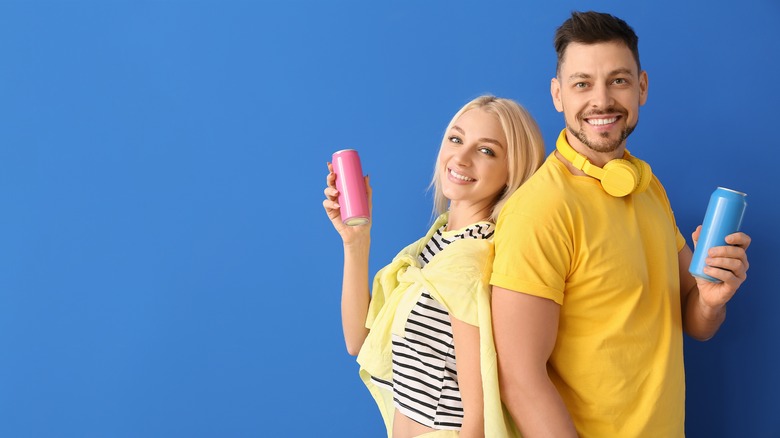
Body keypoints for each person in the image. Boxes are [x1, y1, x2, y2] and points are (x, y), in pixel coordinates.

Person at [490, 11, 752, 438]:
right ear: (558, 95)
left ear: (641, 87)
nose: (602, 100)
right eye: (581, 84)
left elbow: (695, 324)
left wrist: (710, 299)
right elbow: (518, 379)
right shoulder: (541, 209)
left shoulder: (647, 187)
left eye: (618, 80)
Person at [323, 95, 545, 437]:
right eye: (456, 139)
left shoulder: (469, 260)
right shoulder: (437, 243)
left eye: (486, 151)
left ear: (512, 173)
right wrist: (356, 241)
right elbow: (359, 342)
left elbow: (478, 417)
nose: (461, 157)